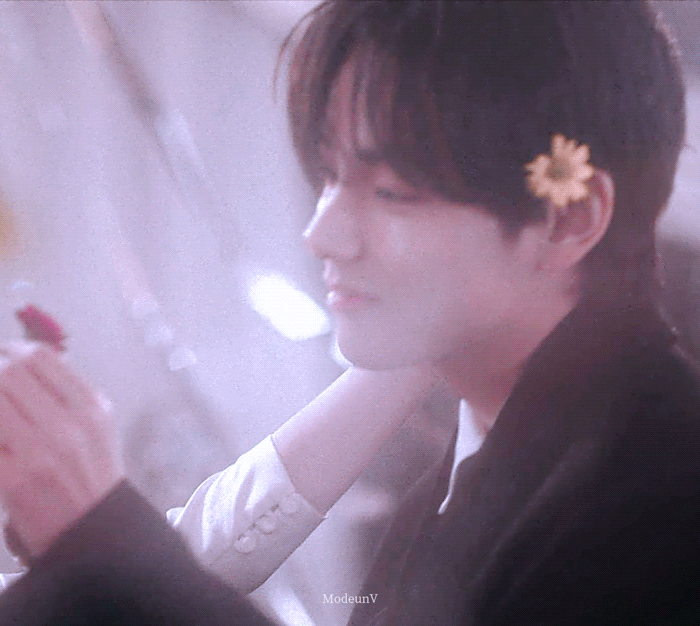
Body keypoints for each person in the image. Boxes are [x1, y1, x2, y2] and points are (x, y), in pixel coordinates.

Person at [0, 0, 699, 624]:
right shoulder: (487, 458)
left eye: (390, 190)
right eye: (330, 175)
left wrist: (100, 536)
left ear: (569, 218)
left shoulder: (652, 502)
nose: (322, 234)